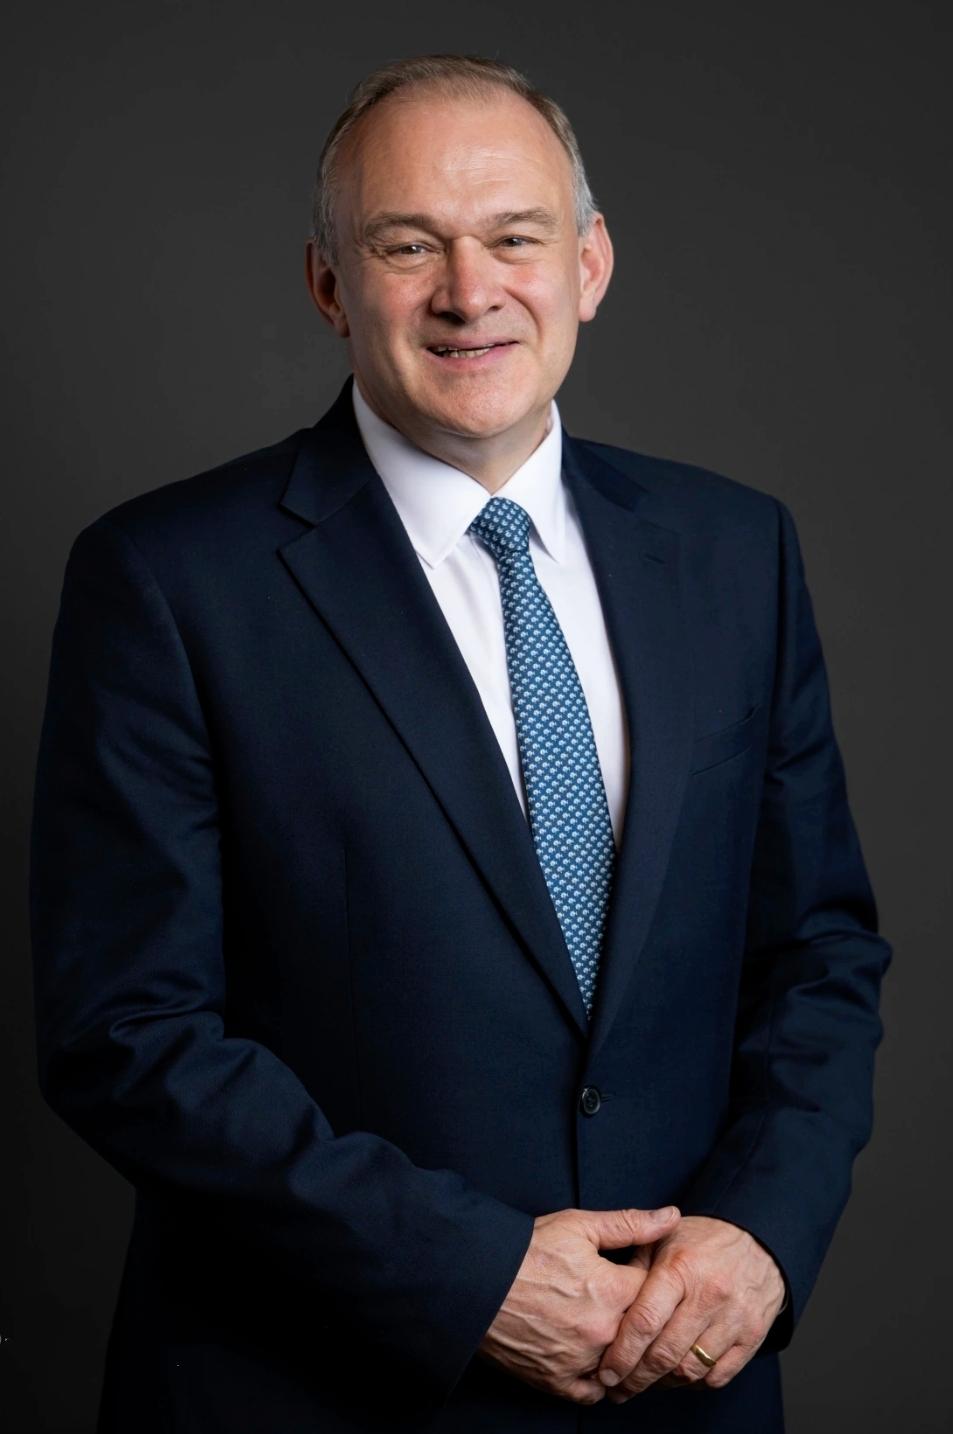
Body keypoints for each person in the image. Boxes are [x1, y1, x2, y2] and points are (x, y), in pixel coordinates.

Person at [29, 53, 891, 1434]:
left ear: (589, 264)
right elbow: (127, 1033)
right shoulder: (168, 580)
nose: (468, 291)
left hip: (684, 1381)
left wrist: (763, 1234)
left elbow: (818, 952)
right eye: (406, 244)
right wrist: (466, 1272)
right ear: (328, 284)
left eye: (514, 238)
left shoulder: (735, 551)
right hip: (317, 1387)